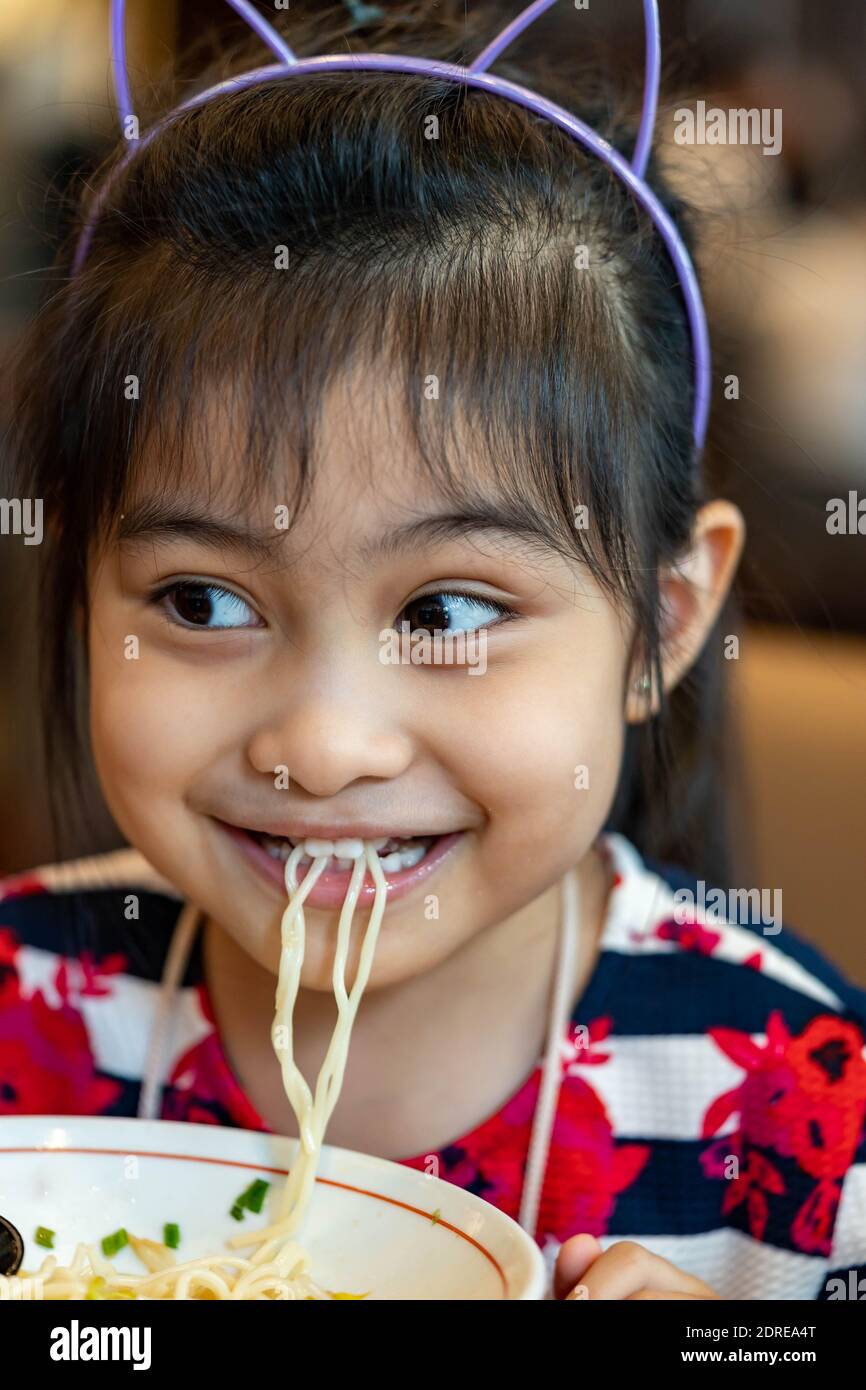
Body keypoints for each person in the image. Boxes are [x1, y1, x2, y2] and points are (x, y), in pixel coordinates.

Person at [3, 2, 864, 1301]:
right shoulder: (28, 1003)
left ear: (663, 622)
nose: (324, 744)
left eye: (448, 612)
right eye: (198, 601)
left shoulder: (790, 1101)